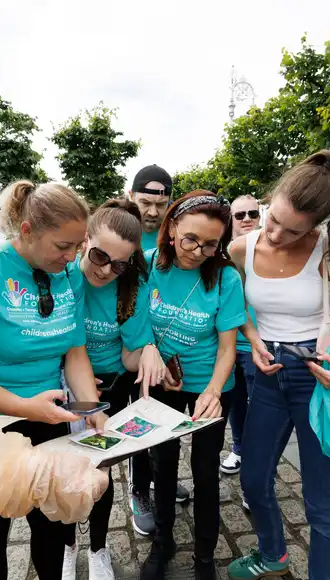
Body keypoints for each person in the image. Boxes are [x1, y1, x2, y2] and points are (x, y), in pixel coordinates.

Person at [0, 179, 104, 580]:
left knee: (52, 525)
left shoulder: (70, 276)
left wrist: (89, 406)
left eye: (77, 246)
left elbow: (75, 352)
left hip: (49, 418)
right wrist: (25, 408)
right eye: (62, 246)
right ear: (27, 231)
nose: (71, 258)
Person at [227, 150, 330, 580]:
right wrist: (251, 341)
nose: (274, 234)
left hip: (320, 376)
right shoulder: (241, 247)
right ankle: (273, 555)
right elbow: (233, 309)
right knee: (254, 479)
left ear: (316, 225)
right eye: (271, 218)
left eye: (294, 231)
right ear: (269, 200)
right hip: (269, 374)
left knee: (322, 503)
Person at [140, 190, 246, 580]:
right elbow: (136, 321)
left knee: (205, 471)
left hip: (211, 386)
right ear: (171, 230)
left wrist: (214, 391)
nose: (198, 251)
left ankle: (205, 557)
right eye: (190, 239)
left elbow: (227, 348)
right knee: (162, 466)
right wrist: (150, 351)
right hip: (164, 383)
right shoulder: (149, 264)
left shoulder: (225, 277)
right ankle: (162, 542)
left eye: (210, 244)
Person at [62, 199, 166, 580]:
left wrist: (150, 351)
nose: (106, 270)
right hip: (60, 388)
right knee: (64, 472)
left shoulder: (132, 286)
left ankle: (99, 547)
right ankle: (67, 547)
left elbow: (129, 357)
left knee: (101, 471)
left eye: (119, 263)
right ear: (84, 239)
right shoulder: (63, 274)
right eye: (99, 255)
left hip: (111, 387)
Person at [126, 163, 189, 533]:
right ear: (132, 195)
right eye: (146, 201)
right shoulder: (123, 231)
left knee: (165, 423)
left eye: (160, 203)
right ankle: (139, 489)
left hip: (169, 350)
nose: (152, 211)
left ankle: (159, 479)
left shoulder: (172, 236)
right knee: (139, 421)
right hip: (131, 350)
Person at [221, 194, 260, 477]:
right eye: (239, 215)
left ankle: (258, 462)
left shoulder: (271, 250)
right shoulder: (224, 256)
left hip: (261, 344)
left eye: (252, 214)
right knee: (236, 403)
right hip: (231, 344)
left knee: (260, 406)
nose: (247, 219)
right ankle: (239, 449)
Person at [129, 164, 173, 251]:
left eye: (161, 204)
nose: (153, 213)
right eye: (145, 203)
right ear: (131, 196)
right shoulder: (114, 229)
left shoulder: (178, 235)